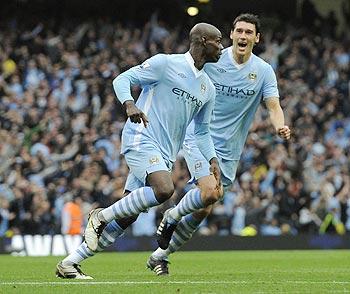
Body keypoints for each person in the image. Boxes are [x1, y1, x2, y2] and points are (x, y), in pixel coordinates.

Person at [55, 22, 223, 279]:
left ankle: (70, 263)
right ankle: (99, 216)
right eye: (217, 41)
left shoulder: (207, 88)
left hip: (165, 153)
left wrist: (212, 159)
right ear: (201, 41)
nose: (222, 47)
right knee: (165, 189)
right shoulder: (166, 64)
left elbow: (201, 131)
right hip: (141, 137)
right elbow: (123, 79)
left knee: (127, 218)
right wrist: (129, 104)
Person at [150, 13, 291, 275]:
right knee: (210, 192)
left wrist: (279, 125)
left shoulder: (262, 71)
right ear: (232, 34)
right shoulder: (215, 59)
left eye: (249, 32)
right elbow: (184, 70)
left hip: (230, 149)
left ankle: (160, 255)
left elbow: (273, 106)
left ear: (256, 39)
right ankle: (171, 216)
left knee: (204, 209)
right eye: (239, 31)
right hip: (199, 136)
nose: (243, 36)